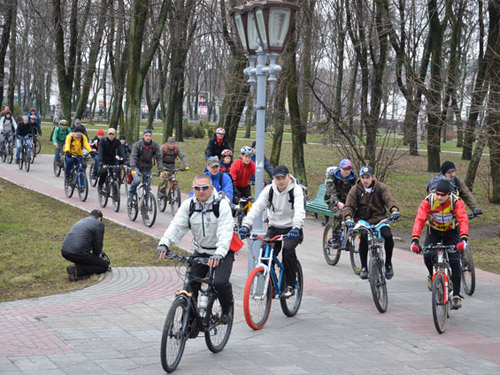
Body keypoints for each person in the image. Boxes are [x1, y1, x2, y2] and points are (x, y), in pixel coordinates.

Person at [156, 174, 235, 323]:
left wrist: (219, 253)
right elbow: (177, 225)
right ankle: (190, 321)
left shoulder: (221, 205)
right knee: (191, 284)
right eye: (198, 188)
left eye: (205, 187)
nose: (201, 191)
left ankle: (227, 309)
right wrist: (165, 243)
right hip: (202, 250)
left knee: (220, 283)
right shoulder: (189, 205)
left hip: (222, 251)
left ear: (212, 188)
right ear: (193, 189)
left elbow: (225, 231)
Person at [239, 165, 306, 298]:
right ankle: (272, 283)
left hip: (292, 228)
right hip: (274, 227)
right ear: (274, 179)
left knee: (288, 250)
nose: (281, 181)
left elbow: (299, 210)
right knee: (264, 254)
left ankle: (290, 285)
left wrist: (296, 227)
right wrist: (246, 225)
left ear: (288, 177)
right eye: (277, 178)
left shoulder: (296, 190)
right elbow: (257, 207)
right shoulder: (270, 190)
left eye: (283, 178)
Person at [411, 179, 469, 309]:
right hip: (434, 232)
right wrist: (415, 239)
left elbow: (463, 219)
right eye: (437, 194)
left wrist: (463, 239)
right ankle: (432, 276)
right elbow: (420, 219)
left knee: (455, 262)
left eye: (442, 195)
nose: (439, 197)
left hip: (452, 232)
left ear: (449, 194)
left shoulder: (456, 202)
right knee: (427, 256)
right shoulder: (429, 201)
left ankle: (456, 295)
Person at [343, 166, 400, 280]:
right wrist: (348, 217)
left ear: (373, 177)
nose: (365, 180)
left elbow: (389, 199)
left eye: (367, 177)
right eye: (363, 177)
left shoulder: (381, 187)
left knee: (388, 236)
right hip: (364, 220)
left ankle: (388, 263)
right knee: (363, 236)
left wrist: (394, 210)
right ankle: (364, 267)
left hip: (380, 219)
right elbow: (349, 205)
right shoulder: (355, 189)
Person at [61, 209, 109, 282]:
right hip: (78, 252)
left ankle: (76, 268)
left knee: (87, 260)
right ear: (99, 218)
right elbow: (98, 244)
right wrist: (98, 256)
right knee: (103, 266)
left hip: (65, 251)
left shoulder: (82, 221)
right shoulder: (99, 224)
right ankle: (76, 270)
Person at [324, 159, 357, 247]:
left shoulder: (353, 177)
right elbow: (330, 190)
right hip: (332, 200)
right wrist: (337, 201)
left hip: (347, 201)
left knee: (355, 214)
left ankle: (349, 237)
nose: (347, 171)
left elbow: (356, 189)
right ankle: (335, 237)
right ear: (340, 168)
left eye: (349, 169)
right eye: (345, 169)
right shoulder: (333, 175)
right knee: (339, 214)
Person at [128, 129, 163, 199]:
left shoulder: (154, 145)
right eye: (146, 136)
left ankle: (145, 205)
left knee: (147, 188)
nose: (148, 137)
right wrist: (132, 169)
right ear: (143, 136)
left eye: (150, 136)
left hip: (147, 168)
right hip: (137, 166)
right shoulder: (138, 145)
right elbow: (133, 156)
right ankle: (131, 194)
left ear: (151, 136)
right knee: (137, 180)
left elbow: (159, 158)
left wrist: (160, 170)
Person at [97, 128, 125, 193]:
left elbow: (121, 151)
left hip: (112, 160)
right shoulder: (103, 141)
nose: (111, 136)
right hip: (104, 160)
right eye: (110, 134)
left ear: (115, 135)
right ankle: (100, 185)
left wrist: (125, 161)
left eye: (112, 134)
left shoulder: (117, 141)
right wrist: (101, 162)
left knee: (117, 171)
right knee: (104, 172)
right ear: (108, 134)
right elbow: (100, 151)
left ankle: (116, 188)